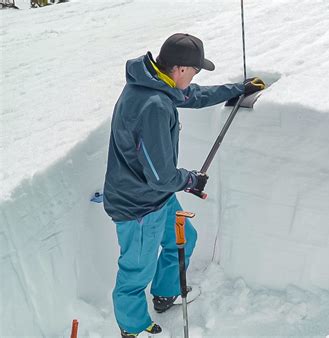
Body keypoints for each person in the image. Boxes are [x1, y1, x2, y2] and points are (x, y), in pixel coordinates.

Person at [103, 33, 265, 338]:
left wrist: (236, 90)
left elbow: (192, 96)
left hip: (154, 197)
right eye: (194, 71)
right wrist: (190, 179)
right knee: (135, 272)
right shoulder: (153, 106)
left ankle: (165, 294)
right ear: (179, 68)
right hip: (137, 205)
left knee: (183, 239)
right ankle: (133, 328)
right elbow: (161, 176)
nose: (194, 77)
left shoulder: (156, 84)